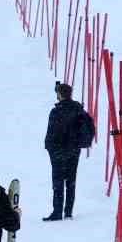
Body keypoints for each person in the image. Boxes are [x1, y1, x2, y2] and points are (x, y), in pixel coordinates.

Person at [43, 81, 97, 221]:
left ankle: (57, 212)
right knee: (71, 181)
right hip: (74, 150)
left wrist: (49, 147)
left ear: (60, 94)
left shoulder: (56, 111)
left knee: (58, 181)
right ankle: (68, 212)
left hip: (58, 151)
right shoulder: (78, 109)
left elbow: (51, 132)